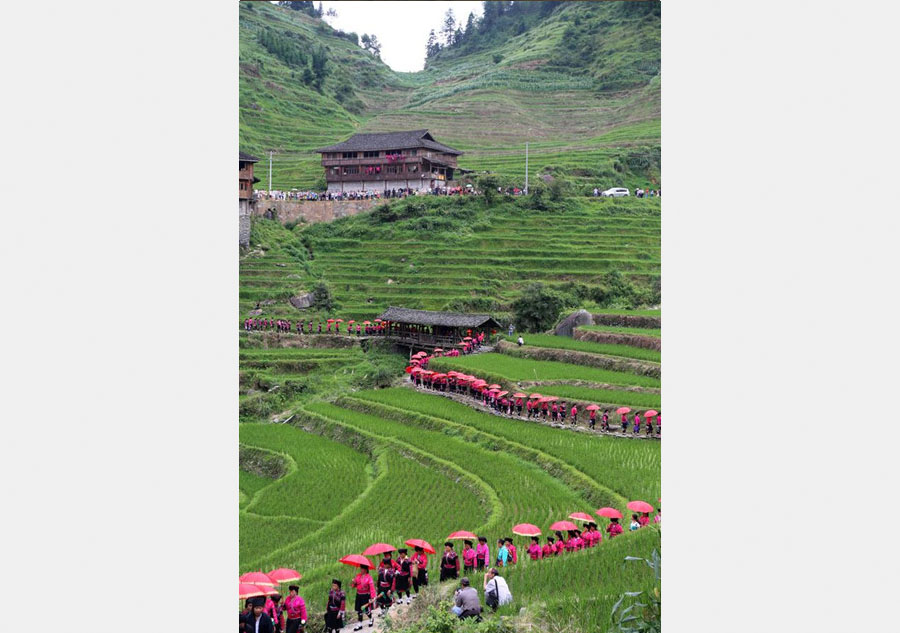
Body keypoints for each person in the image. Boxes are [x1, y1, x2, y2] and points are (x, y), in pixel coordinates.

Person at [350, 564, 375, 631]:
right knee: (359, 610)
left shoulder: (369, 577)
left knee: (366, 610)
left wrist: (372, 597)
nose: (361, 570)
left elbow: (372, 588)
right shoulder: (358, 576)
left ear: (366, 570)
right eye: (360, 568)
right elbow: (353, 586)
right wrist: (353, 582)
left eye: (362, 569)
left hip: (365, 596)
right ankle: (360, 623)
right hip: (359, 595)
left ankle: (371, 619)